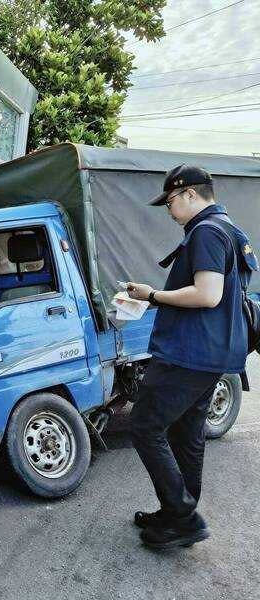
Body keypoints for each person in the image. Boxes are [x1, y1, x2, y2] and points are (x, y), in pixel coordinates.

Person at [126, 164, 255, 549]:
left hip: (190, 353)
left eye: (169, 201)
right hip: (212, 353)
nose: (168, 209)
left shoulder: (207, 232)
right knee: (186, 434)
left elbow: (208, 293)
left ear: (189, 194)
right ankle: (175, 513)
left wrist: (151, 295)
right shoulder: (229, 229)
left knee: (145, 427)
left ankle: (183, 517)